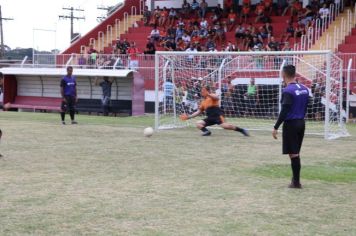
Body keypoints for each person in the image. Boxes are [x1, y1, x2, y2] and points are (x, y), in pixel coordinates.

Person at [272, 65, 309, 189]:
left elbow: (284, 111)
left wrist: (276, 126)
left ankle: (296, 182)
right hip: (301, 123)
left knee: (293, 154)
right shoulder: (304, 89)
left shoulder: (287, 90)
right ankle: (295, 179)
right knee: (295, 153)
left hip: (291, 124)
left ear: (284, 75)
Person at [181, 86, 249, 136]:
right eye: (202, 91)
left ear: (207, 91)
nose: (202, 92)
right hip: (210, 117)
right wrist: (188, 117)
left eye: (203, 91)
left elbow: (217, 98)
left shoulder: (211, 95)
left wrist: (208, 94)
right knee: (198, 123)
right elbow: (198, 112)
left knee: (225, 126)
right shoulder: (203, 102)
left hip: (217, 115)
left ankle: (242, 130)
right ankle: (207, 132)